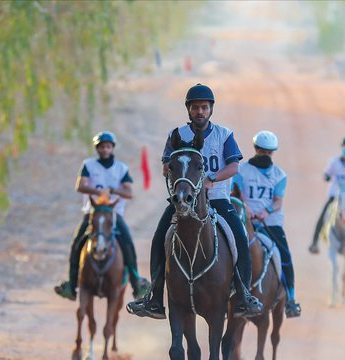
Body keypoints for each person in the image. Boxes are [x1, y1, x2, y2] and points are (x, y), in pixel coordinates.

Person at [126, 83, 263, 320]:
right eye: (196, 107)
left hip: (217, 197)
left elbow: (233, 166)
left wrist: (212, 178)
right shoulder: (177, 134)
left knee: (239, 237)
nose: (200, 111)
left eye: (204, 107)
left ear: (211, 109)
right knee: (160, 237)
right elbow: (166, 165)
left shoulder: (224, 134)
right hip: (184, 199)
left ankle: (243, 295)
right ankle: (155, 298)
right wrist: (176, 171)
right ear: (188, 110)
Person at [54, 131, 150, 301]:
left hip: (113, 213)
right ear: (97, 149)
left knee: (127, 243)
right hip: (92, 212)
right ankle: (72, 284)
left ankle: (136, 283)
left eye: (107, 147)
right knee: (77, 243)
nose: (105, 150)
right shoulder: (88, 165)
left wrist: (113, 191)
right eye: (101, 147)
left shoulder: (121, 168)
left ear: (112, 148)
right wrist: (98, 191)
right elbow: (80, 186)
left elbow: (129, 192)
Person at [233, 130, 301, 318]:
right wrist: (245, 208)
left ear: (273, 152)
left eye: (269, 152)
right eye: (262, 151)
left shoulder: (280, 175)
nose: (265, 155)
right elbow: (235, 193)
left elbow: (278, 201)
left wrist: (266, 212)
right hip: (244, 219)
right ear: (256, 149)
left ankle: (291, 299)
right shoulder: (241, 170)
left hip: (270, 222)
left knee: (284, 254)